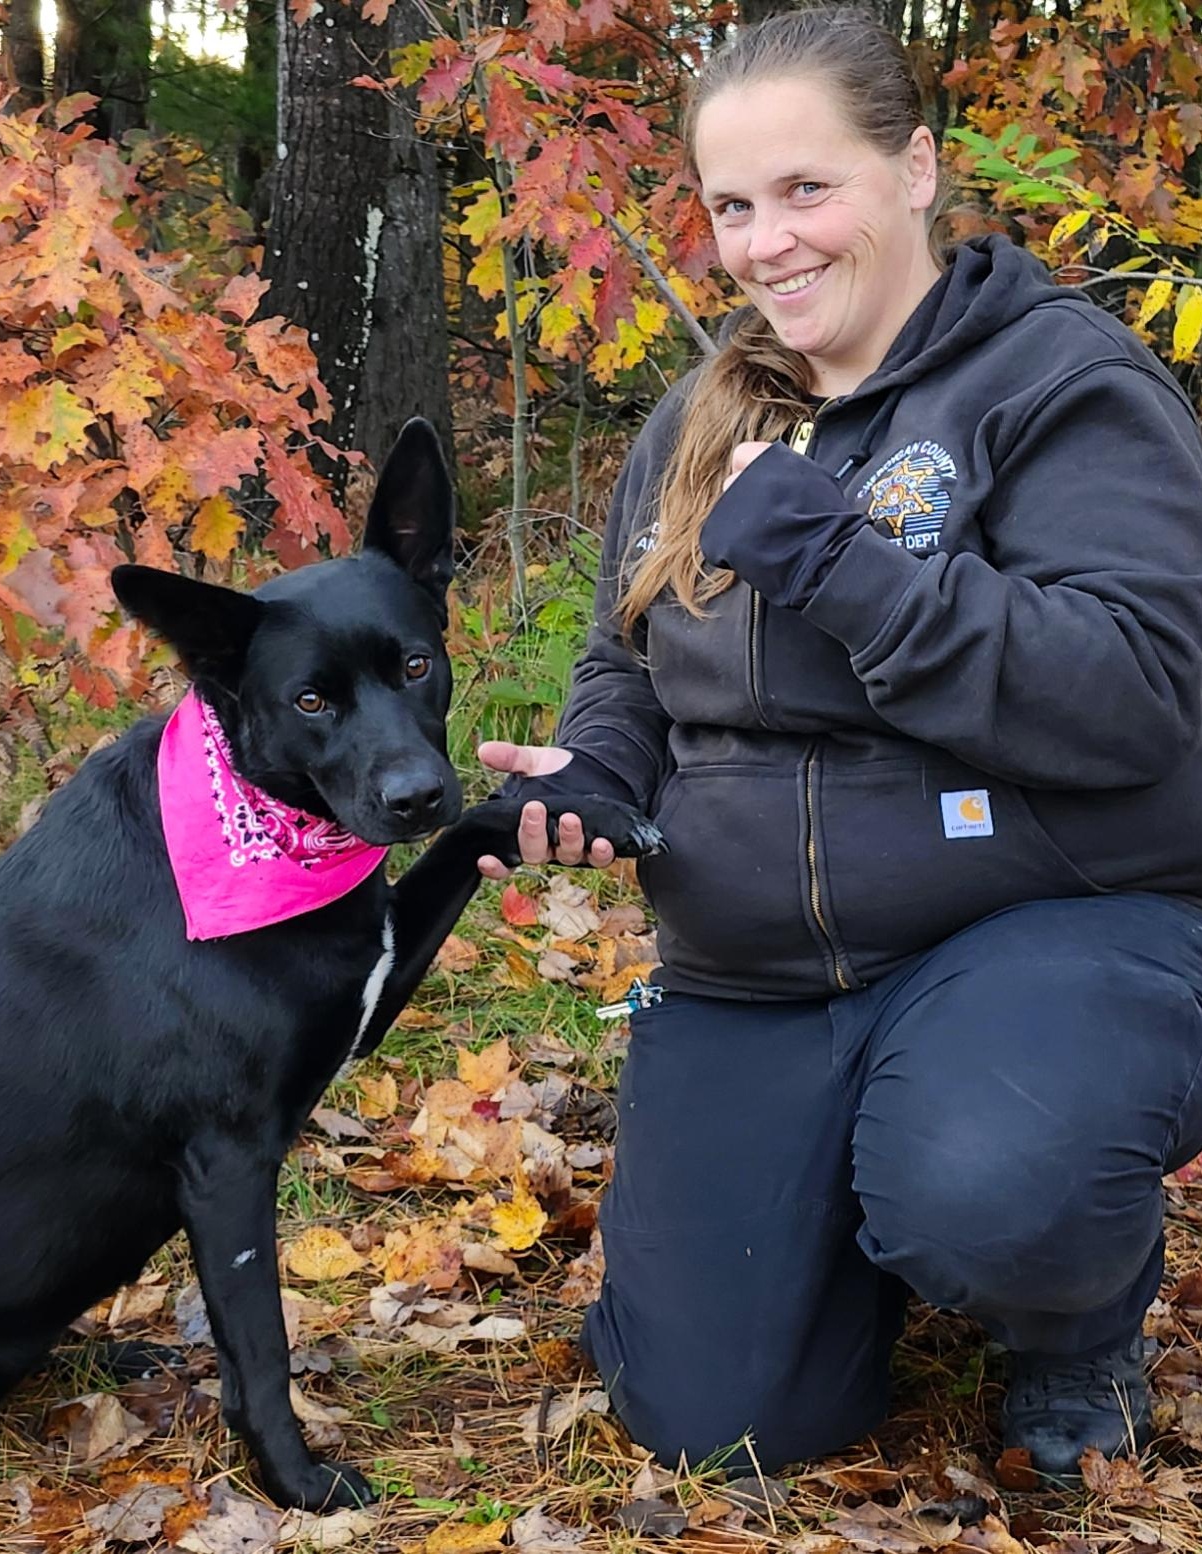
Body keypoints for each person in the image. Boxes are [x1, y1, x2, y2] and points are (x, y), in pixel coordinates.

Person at [476, 6, 1202, 1479]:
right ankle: (862, 1211)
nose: (765, 243)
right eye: (733, 206)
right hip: (752, 972)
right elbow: (625, 660)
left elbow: (1131, 688)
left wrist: (840, 560)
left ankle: (1064, 1313)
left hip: (1043, 922)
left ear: (915, 168)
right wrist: (599, 772)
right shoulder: (701, 414)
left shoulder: (1058, 383)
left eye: (807, 190)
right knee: (716, 1421)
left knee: (992, 1190)